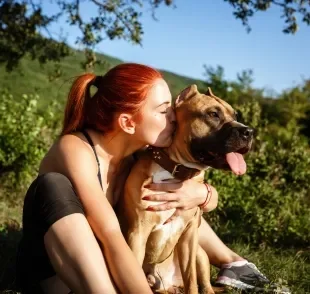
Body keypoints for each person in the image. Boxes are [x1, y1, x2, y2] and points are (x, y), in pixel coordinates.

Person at [16, 63, 271, 294]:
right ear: (128, 122)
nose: (174, 117)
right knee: (52, 186)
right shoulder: (76, 149)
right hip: (60, 277)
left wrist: (202, 193)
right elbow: (111, 236)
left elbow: (178, 209)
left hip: (109, 266)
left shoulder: (139, 158)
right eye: (164, 111)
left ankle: (233, 263)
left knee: (166, 198)